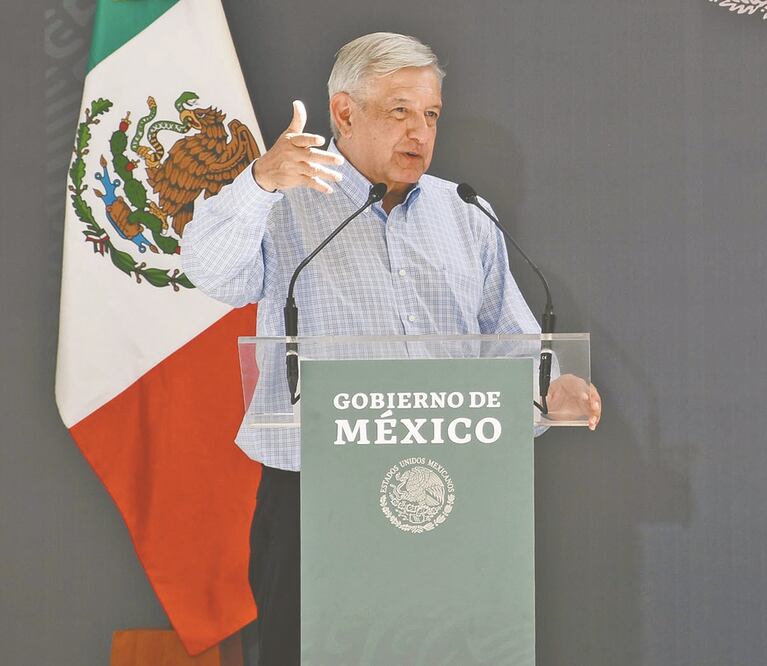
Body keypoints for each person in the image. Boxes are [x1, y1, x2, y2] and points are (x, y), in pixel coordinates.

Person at [181, 32, 601, 666]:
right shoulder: (284, 203)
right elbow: (210, 273)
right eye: (399, 111)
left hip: (450, 490)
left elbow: (511, 350)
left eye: (430, 114)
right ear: (345, 113)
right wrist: (259, 183)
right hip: (316, 496)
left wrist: (551, 390)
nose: (421, 133)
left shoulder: (466, 213)